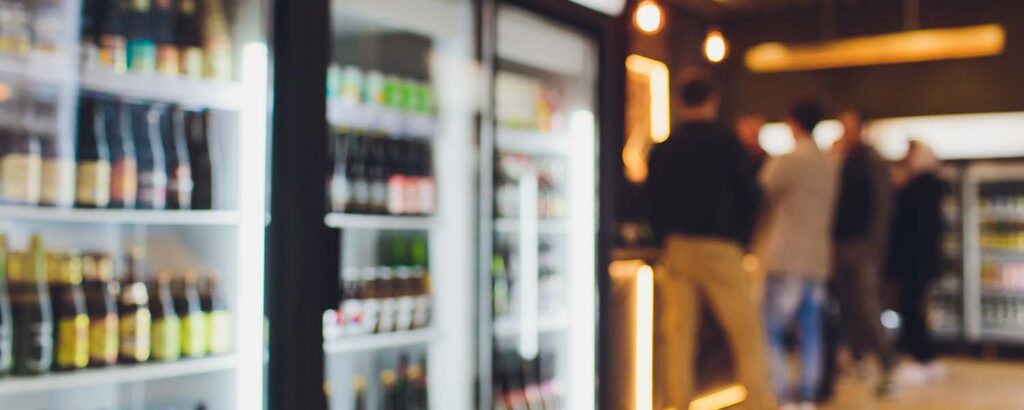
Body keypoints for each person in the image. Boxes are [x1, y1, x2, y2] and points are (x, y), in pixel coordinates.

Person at [647, 70, 772, 409]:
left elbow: (651, 200)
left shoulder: (664, 148)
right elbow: (752, 195)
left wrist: (664, 240)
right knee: (745, 333)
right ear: (713, 100)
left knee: (677, 337)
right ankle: (757, 402)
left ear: (679, 101)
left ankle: (676, 403)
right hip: (720, 247)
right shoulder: (726, 143)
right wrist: (742, 237)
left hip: (677, 247)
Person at [756, 101, 838, 410]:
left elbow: (761, 195)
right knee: (811, 332)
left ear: (792, 122)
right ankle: (806, 396)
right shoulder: (830, 163)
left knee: (771, 330)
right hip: (817, 259)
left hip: (785, 255)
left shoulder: (788, 160)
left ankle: (782, 396)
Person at [828, 109, 897, 397]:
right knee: (846, 309)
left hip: (860, 247)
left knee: (867, 308)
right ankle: (857, 360)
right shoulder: (841, 159)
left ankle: (887, 362)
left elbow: (882, 208)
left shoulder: (871, 162)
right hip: (838, 246)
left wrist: (873, 248)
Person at [888, 140, 946, 384]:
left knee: (913, 311)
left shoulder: (917, 189)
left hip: (913, 263)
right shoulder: (928, 187)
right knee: (914, 310)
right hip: (921, 262)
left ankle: (922, 357)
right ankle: (921, 356)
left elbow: (910, 229)